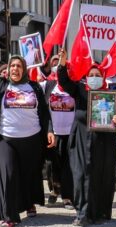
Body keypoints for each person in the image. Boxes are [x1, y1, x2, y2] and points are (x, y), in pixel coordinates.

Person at [0, 36, 55, 227]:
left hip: (32, 140)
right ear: (8, 69)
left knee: (27, 175)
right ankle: (9, 216)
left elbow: (44, 111)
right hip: (6, 139)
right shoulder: (1, 85)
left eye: (19, 66)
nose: (15, 69)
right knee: (8, 174)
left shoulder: (34, 87)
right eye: (12, 66)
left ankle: (29, 203)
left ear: (24, 69)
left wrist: (50, 131)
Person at [56, 48, 116, 227]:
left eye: (97, 74)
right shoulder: (79, 89)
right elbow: (63, 80)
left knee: (101, 176)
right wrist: (62, 64)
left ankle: (99, 212)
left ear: (103, 77)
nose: (94, 77)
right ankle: (82, 213)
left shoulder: (111, 94)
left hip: (104, 143)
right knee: (81, 175)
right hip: (80, 140)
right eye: (91, 74)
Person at [41, 55, 75, 210]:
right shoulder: (48, 85)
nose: (57, 66)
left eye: (61, 64)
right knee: (52, 164)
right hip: (52, 132)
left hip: (70, 132)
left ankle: (67, 196)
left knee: (68, 165)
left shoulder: (73, 85)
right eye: (55, 63)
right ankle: (55, 190)